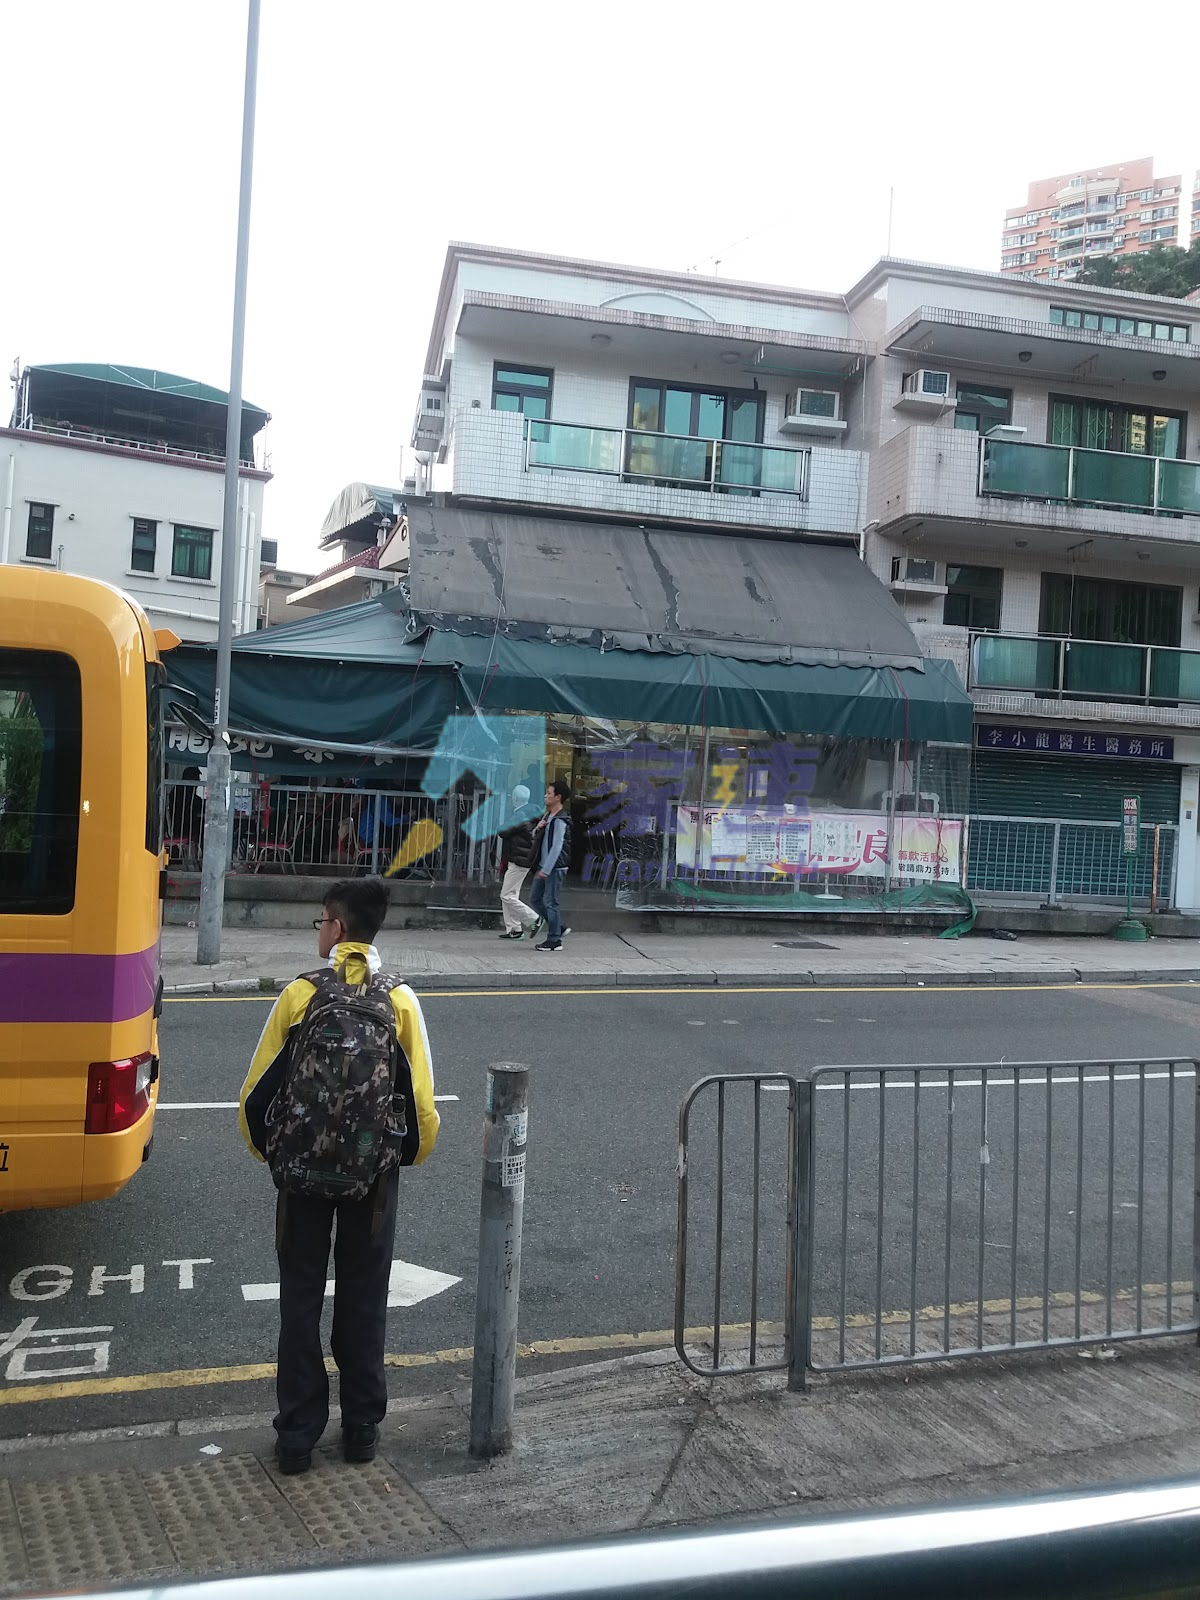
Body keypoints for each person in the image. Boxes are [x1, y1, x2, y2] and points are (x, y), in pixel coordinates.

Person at [238, 877, 439, 1476]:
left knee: (300, 1298)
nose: (319, 930)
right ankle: (361, 1430)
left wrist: (275, 1156)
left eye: (322, 920)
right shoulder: (400, 1001)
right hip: (371, 1180)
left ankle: (298, 1436)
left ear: (339, 928)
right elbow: (421, 1108)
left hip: (300, 1178)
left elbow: (254, 1098)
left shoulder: (300, 995)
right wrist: (396, 1159)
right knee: (364, 1296)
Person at [528, 779, 573, 952]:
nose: (545, 796)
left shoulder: (561, 819)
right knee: (535, 898)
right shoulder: (548, 816)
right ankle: (558, 927)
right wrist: (537, 828)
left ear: (558, 797)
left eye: (549, 793)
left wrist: (546, 869)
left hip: (554, 866)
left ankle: (554, 940)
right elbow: (536, 837)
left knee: (551, 902)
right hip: (544, 865)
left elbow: (557, 846)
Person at [494, 784, 542, 940]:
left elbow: (503, 830)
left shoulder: (520, 814)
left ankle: (534, 919)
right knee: (512, 894)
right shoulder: (531, 812)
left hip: (519, 859)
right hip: (524, 858)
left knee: (506, 895)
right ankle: (514, 929)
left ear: (515, 798)